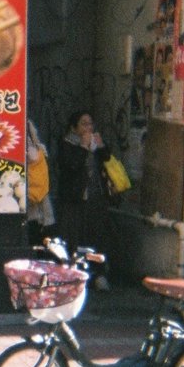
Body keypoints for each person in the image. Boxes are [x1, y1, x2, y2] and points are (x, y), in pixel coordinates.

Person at [56, 110, 116, 290]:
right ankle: (72, 274)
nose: (88, 128)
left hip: (95, 196)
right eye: (83, 124)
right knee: (74, 236)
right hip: (74, 198)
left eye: (90, 124)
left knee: (96, 234)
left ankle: (97, 273)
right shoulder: (67, 143)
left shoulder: (94, 143)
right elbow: (71, 165)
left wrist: (101, 146)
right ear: (74, 127)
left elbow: (106, 158)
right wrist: (82, 147)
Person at [25, 120, 56, 246]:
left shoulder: (26, 126)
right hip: (36, 206)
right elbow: (34, 157)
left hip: (36, 206)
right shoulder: (34, 145)